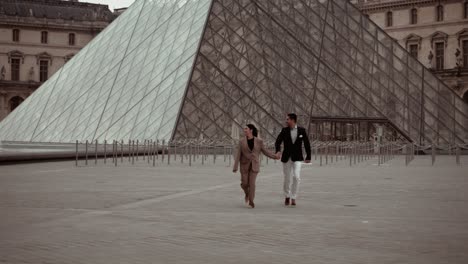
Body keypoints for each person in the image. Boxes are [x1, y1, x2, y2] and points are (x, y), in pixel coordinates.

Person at [233, 124, 278, 208]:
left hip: (255, 165)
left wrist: (274, 156)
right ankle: (247, 193)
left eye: (246, 128)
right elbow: (238, 154)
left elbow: (265, 151)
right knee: (244, 183)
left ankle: (251, 201)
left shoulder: (259, 141)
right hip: (244, 165)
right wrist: (235, 167)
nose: (244, 130)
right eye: (244, 129)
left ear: (251, 130)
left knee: (252, 184)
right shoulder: (241, 141)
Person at [275, 113, 311, 207]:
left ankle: (293, 197)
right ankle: (287, 195)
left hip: (298, 157)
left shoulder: (301, 130)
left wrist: (308, 156)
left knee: (296, 176)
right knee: (287, 178)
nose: (286, 121)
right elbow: (278, 141)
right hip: (286, 157)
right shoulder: (284, 130)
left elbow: (307, 143)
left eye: (287, 119)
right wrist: (278, 151)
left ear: (293, 120)